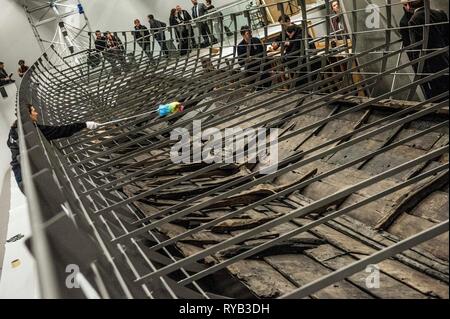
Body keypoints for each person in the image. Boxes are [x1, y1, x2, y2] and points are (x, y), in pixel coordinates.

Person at [7, 104, 99, 193]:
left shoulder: (14, 130)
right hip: (29, 176)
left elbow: (9, 144)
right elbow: (60, 131)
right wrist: (84, 125)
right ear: (28, 115)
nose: (36, 113)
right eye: (34, 111)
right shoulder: (32, 130)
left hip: (19, 174)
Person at [407, 0, 449, 100]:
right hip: (445, 55)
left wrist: (418, 68)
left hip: (430, 62)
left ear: (409, 5)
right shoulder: (440, 13)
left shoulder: (414, 20)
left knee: (438, 91)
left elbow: (416, 48)